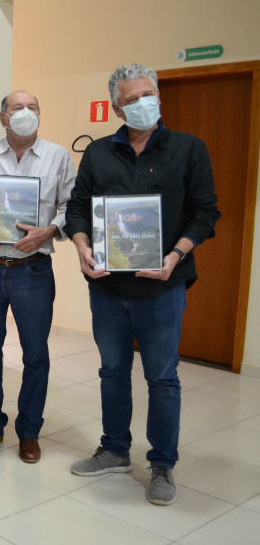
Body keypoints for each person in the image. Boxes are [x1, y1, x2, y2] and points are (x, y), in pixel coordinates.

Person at [65, 64, 220, 506]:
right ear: (117, 108)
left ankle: (163, 463)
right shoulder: (98, 153)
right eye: (131, 99)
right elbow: (77, 209)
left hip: (162, 288)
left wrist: (176, 255)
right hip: (107, 288)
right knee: (112, 371)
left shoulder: (189, 148)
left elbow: (206, 212)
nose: (142, 104)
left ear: (159, 96)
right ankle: (115, 450)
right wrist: (82, 246)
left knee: (162, 378)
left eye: (148, 94)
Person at [0, 91, 76, 463]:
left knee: (35, 355)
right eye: (17, 108)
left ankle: (29, 431)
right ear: (3, 118)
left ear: (40, 114)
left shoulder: (58, 156)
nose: (25, 113)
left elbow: (73, 207)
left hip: (33, 270)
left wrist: (49, 231)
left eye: (32, 107)